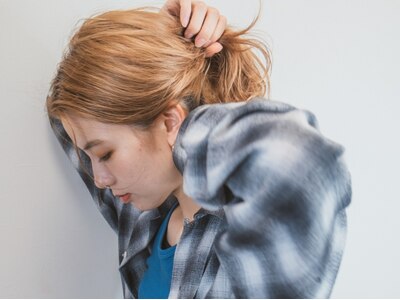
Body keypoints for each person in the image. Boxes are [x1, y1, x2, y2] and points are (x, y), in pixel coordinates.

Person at [46, 0, 352, 298]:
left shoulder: (251, 238)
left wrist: (184, 128)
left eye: (106, 155)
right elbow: (64, 114)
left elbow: (301, 163)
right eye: (90, 158)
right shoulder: (141, 215)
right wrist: (163, 42)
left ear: (169, 123)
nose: (98, 178)